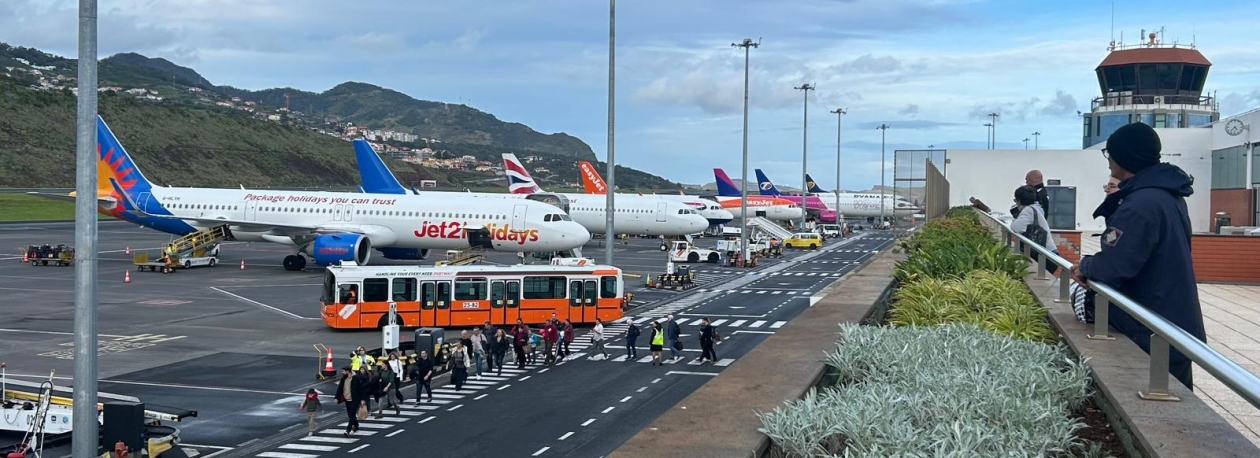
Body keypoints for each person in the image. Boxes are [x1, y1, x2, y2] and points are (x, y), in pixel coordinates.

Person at [1070, 122, 1205, 390]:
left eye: (1109, 153)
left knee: (1167, 418)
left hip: (1152, 328)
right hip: (1174, 321)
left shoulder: (1140, 205)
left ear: (1121, 157)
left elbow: (1113, 267)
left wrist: (1085, 266)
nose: (1108, 162)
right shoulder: (1167, 195)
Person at [1009, 185, 1059, 275]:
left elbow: (1016, 227)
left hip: (1045, 255)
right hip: (1051, 253)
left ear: (1019, 201)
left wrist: (1014, 220)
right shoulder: (1037, 208)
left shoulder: (1028, 210)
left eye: (1015, 201)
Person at [335, 367, 363, 437]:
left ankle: (348, 430)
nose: (342, 372)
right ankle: (356, 426)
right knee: (351, 415)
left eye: (344, 371)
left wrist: (363, 399)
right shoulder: (343, 379)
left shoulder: (355, 378)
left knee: (352, 415)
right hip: (347, 399)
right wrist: (336, 397)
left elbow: (360, 389)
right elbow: (340, 389)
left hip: (355, 400)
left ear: (348, 372)